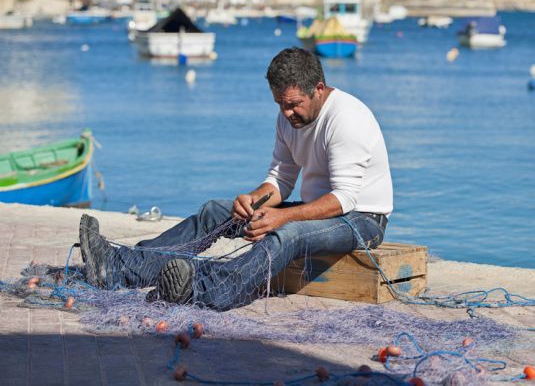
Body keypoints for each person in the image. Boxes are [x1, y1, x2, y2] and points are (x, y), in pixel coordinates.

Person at [79, 47, 393, 311]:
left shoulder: (347, 119)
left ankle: (206, 290)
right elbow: (281, 179)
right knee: (218, 211)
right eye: (280, 105)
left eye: (294, 104)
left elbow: (345, 198)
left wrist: (280, 217)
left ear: (319, 89)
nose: (286, 113)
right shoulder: (288, 118)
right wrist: (253, 200)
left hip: (362, 219)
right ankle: (119, 268)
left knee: (288, 233)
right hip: (320, 210)